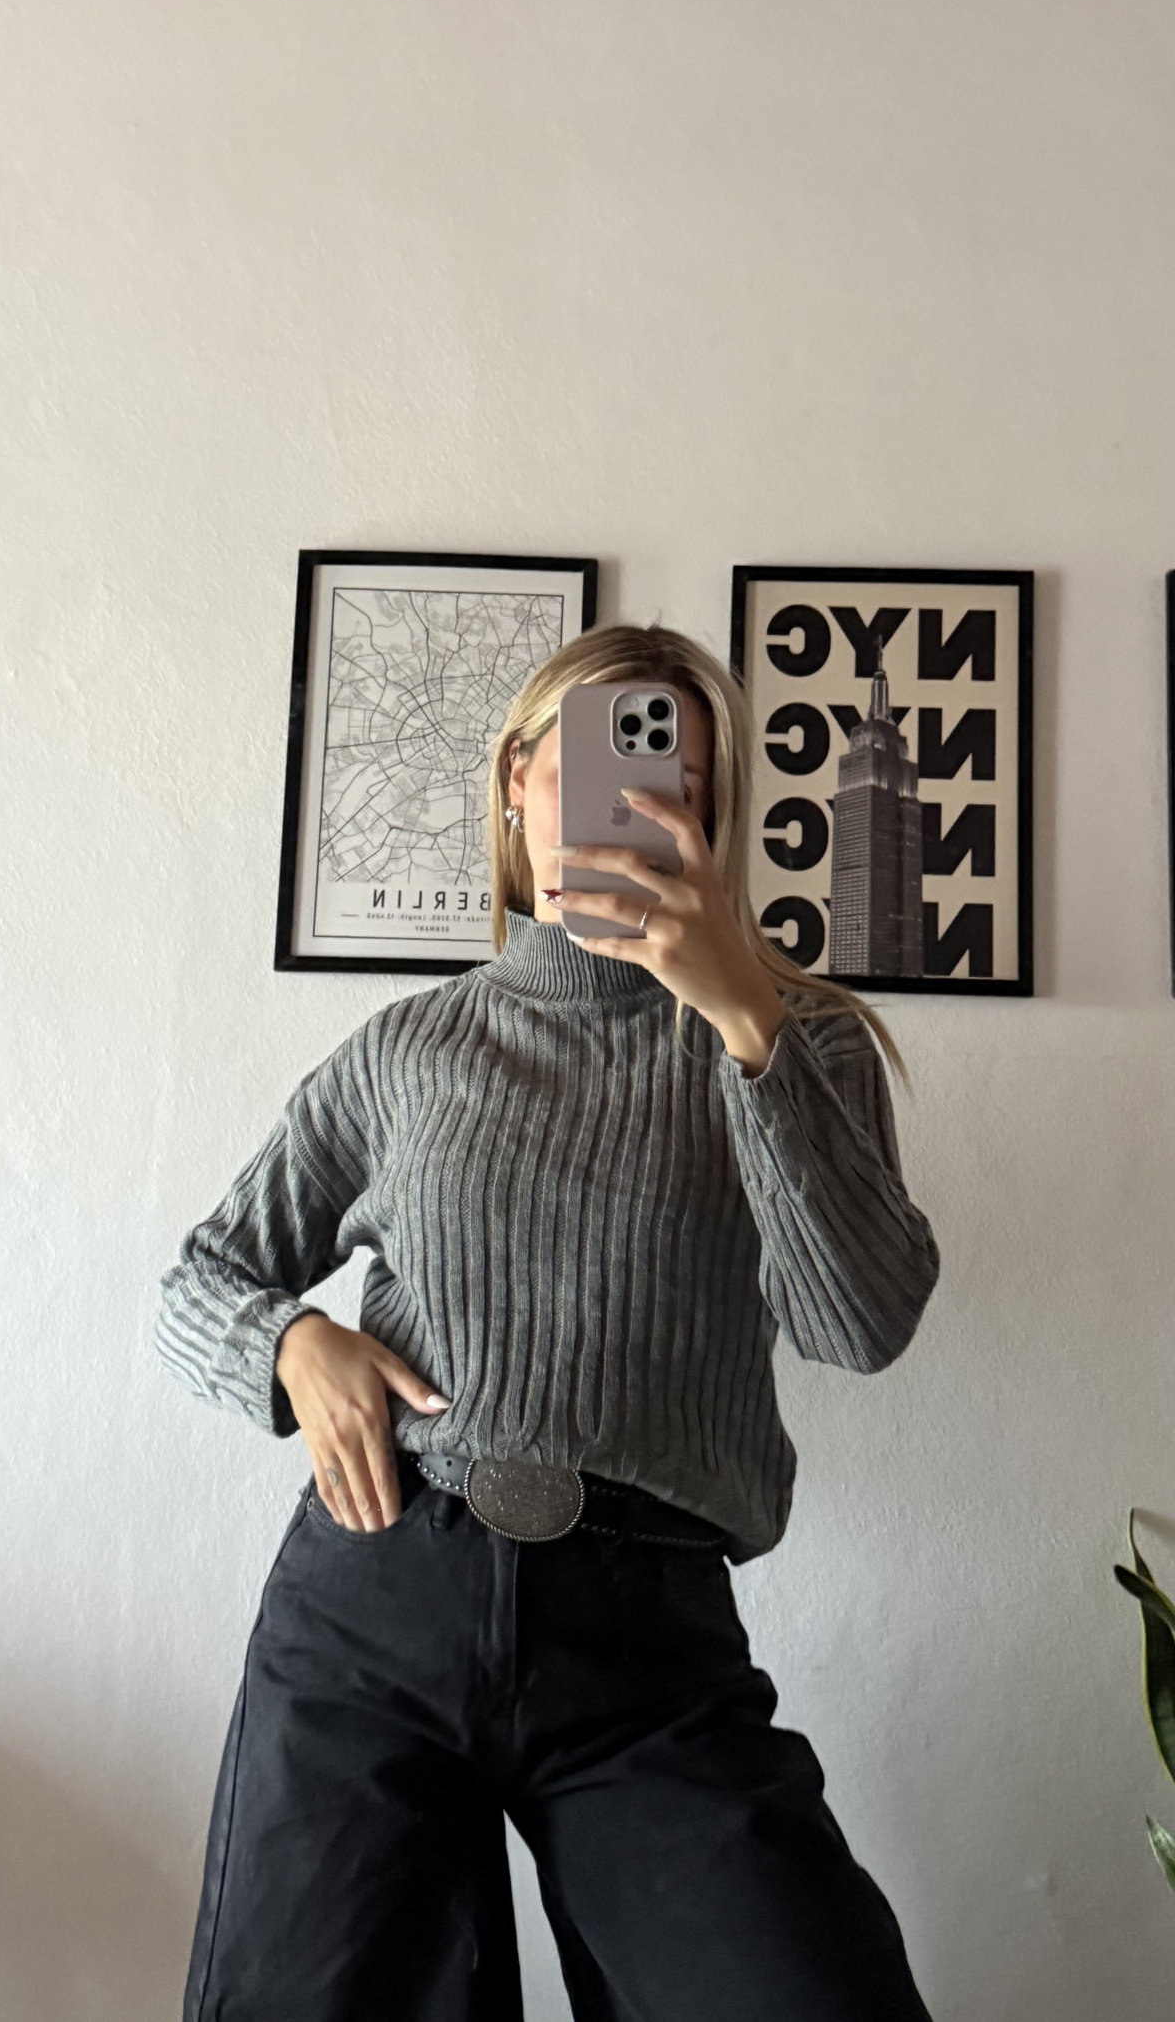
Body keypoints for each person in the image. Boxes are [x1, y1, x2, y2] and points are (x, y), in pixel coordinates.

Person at [157, 620, 941, 2022]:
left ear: (708, 810)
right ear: (518, 784)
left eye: (670, 772)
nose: (630, 797)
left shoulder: (801, 1039)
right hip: (375, 1606)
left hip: (651, 1648)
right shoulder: (408, 1047)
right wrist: (291, 1345)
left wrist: (746, 1022)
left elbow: (860, 1322)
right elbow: (200, 1278)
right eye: (588, 760)